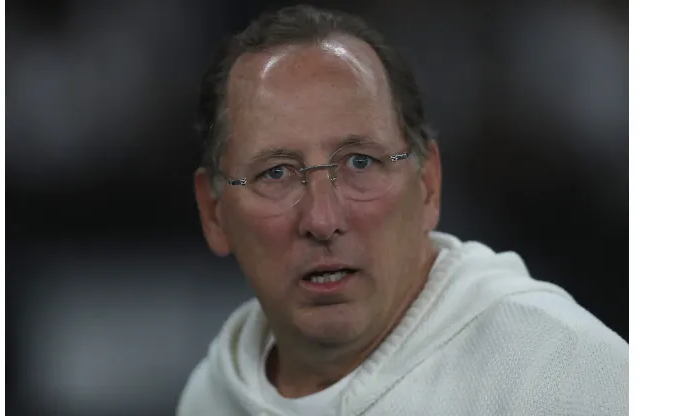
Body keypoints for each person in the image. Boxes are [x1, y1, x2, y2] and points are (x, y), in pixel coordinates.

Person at [178, 5, 628, 416]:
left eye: (360, 162)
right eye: (276, 173)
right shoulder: (212, 396)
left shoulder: (556, 375)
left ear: (428, 185)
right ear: (214, 213)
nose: (322, 219)